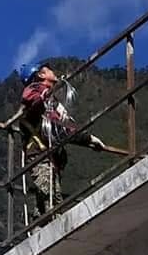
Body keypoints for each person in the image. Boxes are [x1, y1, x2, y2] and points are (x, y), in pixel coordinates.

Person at [19, 63, 105, 219]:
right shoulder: (35, 93)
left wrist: (89, 139)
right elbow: (28, 97)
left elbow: (65, 129)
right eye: (49, 70)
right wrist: (45, 93)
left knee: (49, 198)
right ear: (41, 75)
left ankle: (39, 226)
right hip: (39, 156)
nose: (54, 72)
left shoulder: (53, 105)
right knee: (49, 196)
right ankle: (45, 225)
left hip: (50, 158)